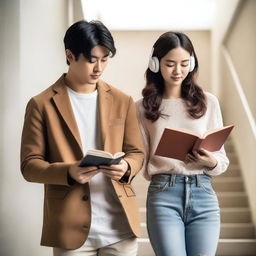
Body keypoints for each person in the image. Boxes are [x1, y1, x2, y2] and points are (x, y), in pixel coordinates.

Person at [20, 20, 144, 256]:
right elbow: (29, 165)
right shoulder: (41, 104)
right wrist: (69, 171)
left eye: (105, 59)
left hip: (120, 226)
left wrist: (127, 166)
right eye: (91, 60)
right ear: (70, 55)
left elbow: (137, 152)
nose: (99, 68)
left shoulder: (122, 100)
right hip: (70, 228)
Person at [136, 32, 229, 256]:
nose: (178, 71)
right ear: (155, 64)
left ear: (192, 64)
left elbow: (223, 161)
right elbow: (140, 157)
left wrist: (211, 161)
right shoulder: (141, 108)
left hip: (204, 192)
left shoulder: (209, 102)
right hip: (163, 193)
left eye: (184, 64)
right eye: (170, 64)